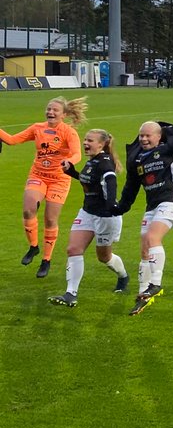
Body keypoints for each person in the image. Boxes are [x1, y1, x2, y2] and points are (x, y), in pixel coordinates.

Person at [113, 121, 173, 315]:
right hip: (152, 206)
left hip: (171, 201)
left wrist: (171, 131)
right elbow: (131, 186)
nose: (144, 139)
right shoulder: (137, 158)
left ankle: (156, 283)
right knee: (145, 248)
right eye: (141, 136)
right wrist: (121, 207)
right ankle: (142, 295)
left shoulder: (170, 150)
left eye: (148, 136)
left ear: (158, 136)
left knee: (153, 238)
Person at [0, 96, 86, 279]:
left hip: (59, 179)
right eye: (48, 109)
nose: (50, 112)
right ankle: (33, 247)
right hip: (38, 175)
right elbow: (12, 140)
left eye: (55, 110)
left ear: (63, 114)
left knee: (50, 219)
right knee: (28, 210)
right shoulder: (37, 128)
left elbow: (78, 153)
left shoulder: (68, 132)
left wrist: (68, 160)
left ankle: (46, 259)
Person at [51, 128, 129, 306]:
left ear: (101, 144)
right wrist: (72, 173)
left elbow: (110, 181)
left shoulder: (105, 163)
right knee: (73, 249)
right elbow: (89, 181)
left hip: (105, 216)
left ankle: (123, 277)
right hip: (87, 212)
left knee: (104, 257)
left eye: (90, 141)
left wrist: (111, 204)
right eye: (85, 140)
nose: (85, 143)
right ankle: (71, 294)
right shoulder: (92, 161)